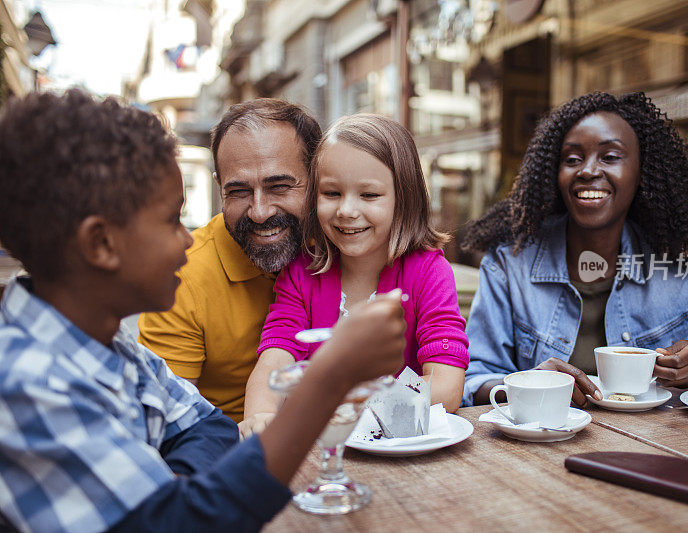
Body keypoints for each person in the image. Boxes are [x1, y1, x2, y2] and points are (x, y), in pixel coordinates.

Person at [0, 90, 406, 532]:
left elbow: (209, 429)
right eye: (172, 220)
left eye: (280, 185)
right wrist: (333, 376)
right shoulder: (28, 382)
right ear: (101, 244)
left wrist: (184, 498)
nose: (188, 240)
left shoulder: (111, 348)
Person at [461, 92, 688, 407]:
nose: (589, 170)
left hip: (661, 449)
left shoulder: (680, 260)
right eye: (572, 158)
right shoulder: (510, 263)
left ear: (642, 173)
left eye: (610, 157)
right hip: (545, 447)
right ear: (555, 173)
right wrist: (529, 385)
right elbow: (476, 378)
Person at [240, 114, 468, 436]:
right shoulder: (301, 272)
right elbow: (274, 360)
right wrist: (261, 415)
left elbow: (446, 386)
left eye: (369, 195)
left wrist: (346, 404)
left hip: (402, 449)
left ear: (404, 199)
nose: (346, 210)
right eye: (332, 193)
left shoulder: (429, 272)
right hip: (319, 447)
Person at [138, 98, 320, 425]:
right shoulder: (180, 279)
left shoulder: (342, 245)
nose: (260, 211)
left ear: (317, 179)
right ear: (219, 187)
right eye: (238, 192)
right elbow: (169, 428)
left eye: (279, 186)